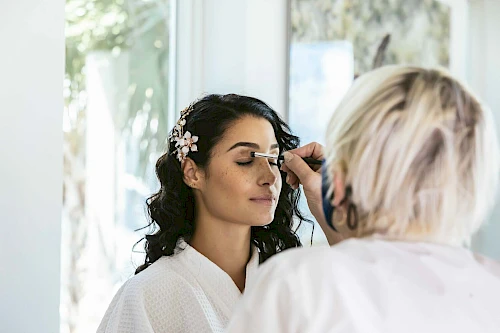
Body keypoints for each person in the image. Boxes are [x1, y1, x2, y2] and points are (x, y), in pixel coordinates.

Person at [225, 65, 500, 333]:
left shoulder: (298, 286)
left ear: (340, 178)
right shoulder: (492, 290)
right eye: (245, 160)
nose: (270, 177)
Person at [97, 94, 309, 333]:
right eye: (246, 160)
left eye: (273, 160)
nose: (270, 177)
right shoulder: (148, 296)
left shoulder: (290, 288)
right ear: (192, 173)